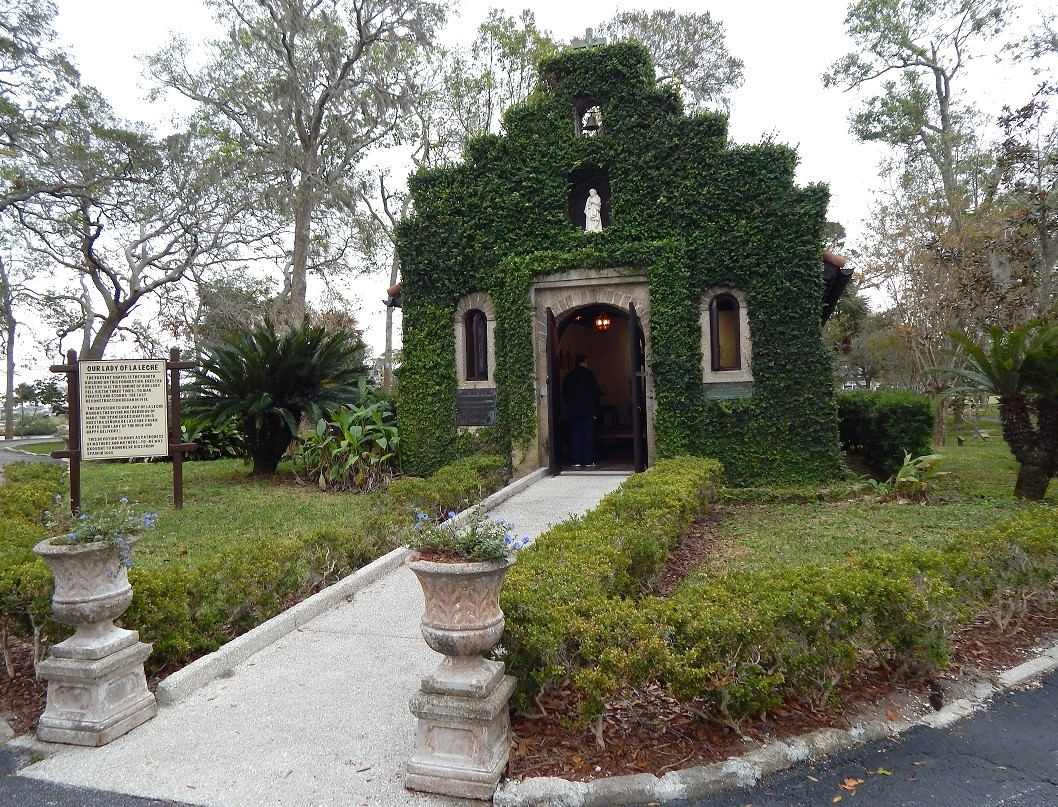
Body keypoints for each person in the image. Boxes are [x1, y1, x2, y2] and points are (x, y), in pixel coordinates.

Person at [563, 354, 602, 468]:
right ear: (582, 363)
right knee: (588, 435)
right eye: (586, 362)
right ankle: (589, 460)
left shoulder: (569, 376)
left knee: (576, 435)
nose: (587, 365)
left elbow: (565, 393)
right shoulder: (589, 375)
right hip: (588, 410)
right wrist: (596, 408)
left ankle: (576, 460)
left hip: (574, 410)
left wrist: (570, 405)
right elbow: (595, 392)